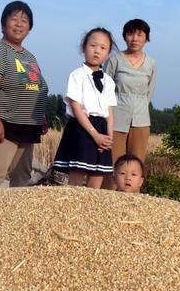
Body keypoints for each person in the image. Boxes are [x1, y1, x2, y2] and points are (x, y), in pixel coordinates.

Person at [0, 1, 49, 189]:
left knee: (22, 178)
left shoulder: (29, 57)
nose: (19, 23)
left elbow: (34, 87)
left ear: (30, 28)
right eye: (14, 19)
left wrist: (41, 116)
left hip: (26, 127)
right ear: (3, 25)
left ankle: (13, 218)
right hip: (4, 125)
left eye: (24, 20)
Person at [52, 28, 117, 188]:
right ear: (84, 48)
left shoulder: (109, 81)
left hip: (102, 127)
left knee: (97, 174)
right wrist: (95, 135)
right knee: (78, 172)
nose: (97, 51)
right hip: (82, 127)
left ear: (108, 53)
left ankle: (92, 210)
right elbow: (76, 107)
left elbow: (109, 110)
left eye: (103, 48)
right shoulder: (76, 75)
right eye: (93, 45)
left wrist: (108, 135)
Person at [102, 19, 156, 189]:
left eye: (140, 34)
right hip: (116, 117)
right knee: (113, 166)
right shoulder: (115, 60)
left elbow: (149, 92)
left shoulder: (151, 63)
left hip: (141, 120)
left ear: (146, 38)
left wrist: (138, 106)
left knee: (135, 166)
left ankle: (134, 204)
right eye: (131, 34)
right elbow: (104, 89)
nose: (135, 38)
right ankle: (107, 203)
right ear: (125, 37)